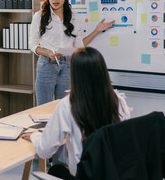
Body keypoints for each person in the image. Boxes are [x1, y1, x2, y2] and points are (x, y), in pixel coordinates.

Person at [22, 47, 130, 179]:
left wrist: (35, 136)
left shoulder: (68, 105)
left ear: (75, 73)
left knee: (56, 170)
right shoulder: (118, 100)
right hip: (115, 174)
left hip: (85, 176)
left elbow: (45, 151)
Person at [29, 0, 115, 106]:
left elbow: (79, 44)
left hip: (68, 66)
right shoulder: (39, 16)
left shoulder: (74, 17)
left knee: (66, 109)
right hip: (46, 65)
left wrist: (97, 30)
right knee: (43, 109)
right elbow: (32, 44)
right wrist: (48, 53)